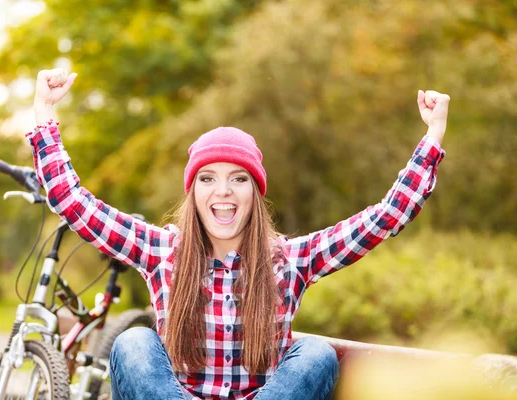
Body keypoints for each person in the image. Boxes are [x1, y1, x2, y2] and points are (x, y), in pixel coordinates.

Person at [27, 68, 449, 400]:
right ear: (193, 193)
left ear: (255, 192)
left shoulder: (290, 260)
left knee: (316, 353)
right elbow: (73, 202)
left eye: (238, 179)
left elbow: (384, 218)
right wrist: (45, 112)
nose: (223, 191)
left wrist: (432, 137)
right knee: (134, 342)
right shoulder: (162, 251)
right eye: (208, 179)